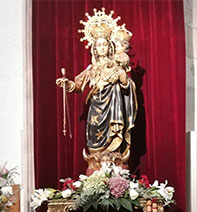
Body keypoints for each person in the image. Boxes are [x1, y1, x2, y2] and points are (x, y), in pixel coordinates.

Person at [56, 9, 137, 159]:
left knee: (114, 139)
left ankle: (114, 160)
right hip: (96, 110)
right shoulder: (91, 69)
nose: (101, 47)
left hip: (114, 108)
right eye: (98, 45)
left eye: (104, 44)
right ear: (94, 48)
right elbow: (78, 86)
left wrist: (124, 79)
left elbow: (127, 89)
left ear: (109, 47)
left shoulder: (117, 67)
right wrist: (67, 84)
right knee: (94, 139)